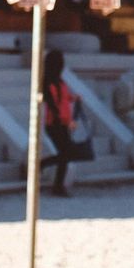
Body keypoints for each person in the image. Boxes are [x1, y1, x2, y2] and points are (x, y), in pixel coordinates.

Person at [41, 51, 86, 197]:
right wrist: (65, 120)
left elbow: (64, 98)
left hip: (63, 123)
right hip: (54, 123)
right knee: (66, 153)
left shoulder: (60, 81)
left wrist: (74, 98)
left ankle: (48, 172)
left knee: (65, 154)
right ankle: (55, 182)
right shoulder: (47, 82)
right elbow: (52, 105)